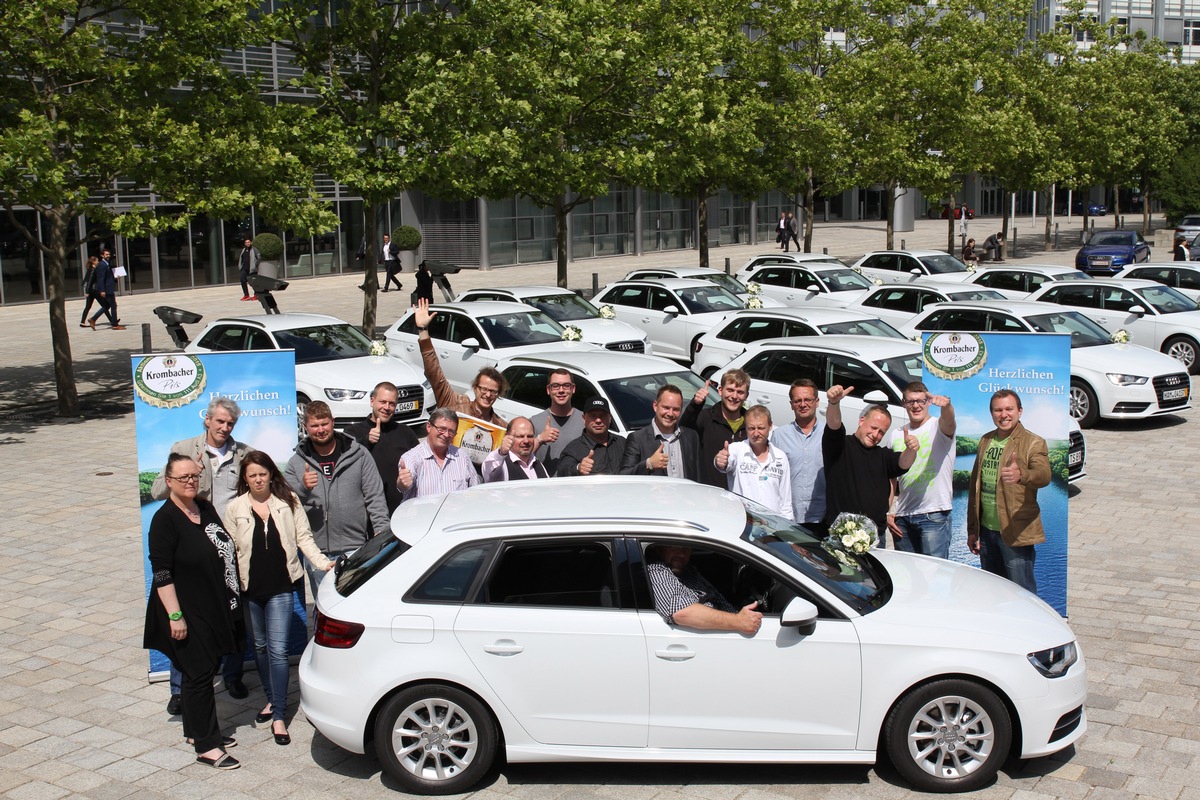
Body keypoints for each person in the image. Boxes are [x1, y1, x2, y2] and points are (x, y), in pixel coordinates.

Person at [150, 396, 256, 707]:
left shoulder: (245, 454)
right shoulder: (183, 449)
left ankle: (234, 676)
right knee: (191, 619)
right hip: (195, 550)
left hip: (232, 548)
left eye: (230, 423)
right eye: (220, 421)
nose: (225, 427)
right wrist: (189, 472)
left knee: (235, 615)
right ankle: (180, 688)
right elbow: (157, 491)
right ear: (207, 421)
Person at [143, 454, 243, 770]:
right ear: (169, 482)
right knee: (200, 674)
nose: (189, 481)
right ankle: (206, 746)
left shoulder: (204, 508)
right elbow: (161, 573)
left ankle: (195, 730)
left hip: (213, 605)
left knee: (200, 670)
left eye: (193, 476)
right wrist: (175, 616)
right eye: (182, 477)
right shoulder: (165, 520)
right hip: (184, 610)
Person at [225, 452, 332, 747]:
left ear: (271, 474)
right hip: (249, 590)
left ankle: (279, 716)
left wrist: (323, 563)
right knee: (258, 646)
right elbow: (229, 551)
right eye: (252, 475)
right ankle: (271, 699)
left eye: (263, 473)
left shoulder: (288, 503)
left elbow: (304, 538)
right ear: (244, 479)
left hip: (281, 588)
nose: (258, 479)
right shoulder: (235, 508)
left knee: (278, 650)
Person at [284, 401, 391, 597]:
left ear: (333, 422)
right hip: (317, 553)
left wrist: (381, 532)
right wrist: (303, 488)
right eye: (314, 426)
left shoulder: (358, 455)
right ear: (306, 427)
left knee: (355, 603)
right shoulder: (296, 463)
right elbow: (285, 504)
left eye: (324, 424)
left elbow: (375, 496)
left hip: (355, 547)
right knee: (324, 606)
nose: (321, 430)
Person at [967, 390, 1051, 593]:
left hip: (1015, 532)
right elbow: (974, 487)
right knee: (994, 592)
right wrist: (973, 530)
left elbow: (1044, 475)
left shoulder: (1034, 442)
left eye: (1009, 409)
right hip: (987, 532)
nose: (1003, 414)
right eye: (998, 410)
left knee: (1023, 593)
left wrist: (1022, 475)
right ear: (992, 413)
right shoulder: (986, 440)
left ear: (1020, 411)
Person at [822, 386, 918, 545]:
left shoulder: (883, 455)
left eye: (881, 432)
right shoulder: (839, 446)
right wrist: (834, 403)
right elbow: (834, 424)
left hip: (874, 537)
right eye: (873, 428)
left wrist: (911, 449)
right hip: (841, 536)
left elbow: (903, 463)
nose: (875, 435)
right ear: (861, 420)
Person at [885, 382, 956, 558]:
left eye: (920, 401)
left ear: (928, 402)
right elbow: (891, 478)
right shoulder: (896, 434)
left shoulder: (938, 426)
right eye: (910, 402)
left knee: (934, 576)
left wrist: (946, 406)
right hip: (902, 517)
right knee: (908, 580)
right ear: (903, 403)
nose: (916, 406)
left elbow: (949, 420)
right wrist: (888, 512)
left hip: (934, 515)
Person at [412, 299, 507, 426]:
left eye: (493, 391)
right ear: (475, 388)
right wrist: (423, 330)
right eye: (483, 389)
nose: (488, 394)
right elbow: (434, 373)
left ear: (498, 394)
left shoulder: (500, 426)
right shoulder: (455, 406)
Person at [645, 544, 762, 633]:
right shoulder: (656, 570)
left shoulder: (687, 570)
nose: (682, 554)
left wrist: (735, 613)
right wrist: (738, 621)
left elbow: (715, 595)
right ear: (660, 549)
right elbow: (680, 613)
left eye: (686, 548)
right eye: (676, 547)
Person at [344, 382, 420, 513]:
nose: (387, 407)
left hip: (402, 510)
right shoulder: (353, 431)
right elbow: (344, 460)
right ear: (372, 401)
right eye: (383, 402)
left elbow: (422, 462)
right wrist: (366, 441)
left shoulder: (405, 432)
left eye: (392, 404)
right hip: (368, 511)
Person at [714, 405, 793, 520]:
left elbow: (785, 501)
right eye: (751, 428)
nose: (756, 433)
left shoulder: (780, 457)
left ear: (770, 426)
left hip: (772, 526)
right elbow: (724, 463)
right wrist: (719, 461)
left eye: (761, 428)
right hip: (742, 522)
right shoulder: (736, 449)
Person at [771, 379, 828, 533]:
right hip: (789, 516)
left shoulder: (828, 434)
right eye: (797, 401)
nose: (803, 404)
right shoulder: (779, 436)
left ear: (816, 402)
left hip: (822, 517)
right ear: (791, 404)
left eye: (808, 400)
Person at [682, 369, 748, 488]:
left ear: (746, 395)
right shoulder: (706, 417)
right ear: (720, 390)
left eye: (740, 392)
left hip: (742, 497)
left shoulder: (751, 424)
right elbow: (683, 428)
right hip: (711, 494)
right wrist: (695, 405)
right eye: (730, 390)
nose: (734, 396)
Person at [620, 384, 702, 480]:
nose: (670, 414)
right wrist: (648, 464)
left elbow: (698, 476)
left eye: (675, 409)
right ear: (655, 406)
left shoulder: (691, 436)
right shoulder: (638, 439)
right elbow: (624, 476)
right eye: (666, 408)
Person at [398, 408, 481, 499]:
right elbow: (404, 484)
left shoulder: (462, 457)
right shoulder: (412, 458)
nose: (446, 435)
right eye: (442, 429)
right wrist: (402, 483)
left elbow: (475, 491)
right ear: (429, 427)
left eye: (451, 432)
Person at [529, 368, 584, 475]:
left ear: (573, 388)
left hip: (577, 487)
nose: (561, 390)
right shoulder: (535, 422)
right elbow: (520, 458)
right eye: (555, 386)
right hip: (544, 487)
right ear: (548, 390)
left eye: (566, 385)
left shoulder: (585, 421)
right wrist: (540, 439)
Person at [557, 397, 627, 476]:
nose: (598, 420)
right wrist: (578, 468)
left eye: (602, 416)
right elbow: (563, 471)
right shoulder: (573, 449)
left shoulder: (622, 443)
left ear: (610, 418)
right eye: (593, 416)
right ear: (584, 418)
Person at [482, 417, 549, 481]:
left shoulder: (538, 464)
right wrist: (501, 453)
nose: (526, 441)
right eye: (520, 436)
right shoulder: (501, 463)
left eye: (530, 436)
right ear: (507, 436)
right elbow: (488, 474)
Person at [88, 248, 124, 330]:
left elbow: (108, 277)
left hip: (109, 288)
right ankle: (114, 324)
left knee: (106, 306)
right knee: (113, 306)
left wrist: (115, 278)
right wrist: (102, 290)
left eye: (109, 254)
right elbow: (101, 279)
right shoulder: (102, 265)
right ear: (102, 255)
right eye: (106, 254)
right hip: (107, 289)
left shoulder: (107, 264)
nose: (108, 256)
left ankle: (93, 319)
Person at [79, 255, 101, 328]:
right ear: (93, 262)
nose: (98, 262)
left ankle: (82, 322)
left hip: (90, 290)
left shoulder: (90, 269)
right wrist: (87, 292)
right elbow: (90, 282)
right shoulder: (93, 270)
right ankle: (112, 321)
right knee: (104, 305)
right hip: (93, 291)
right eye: (97, 260)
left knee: (88, 306)